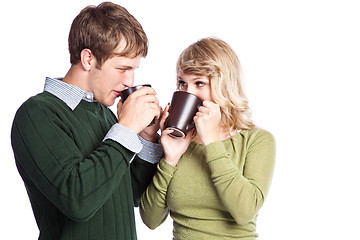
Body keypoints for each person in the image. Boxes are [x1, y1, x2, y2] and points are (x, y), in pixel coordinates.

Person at [11, 2, 163, 240]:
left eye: (134, 69)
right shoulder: (37, 113)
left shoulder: (103, 113)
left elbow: (126, 194)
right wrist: (126, 128)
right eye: (123, 68)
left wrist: (146, 137)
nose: (129, 81)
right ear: (88, 58)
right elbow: (78, 200)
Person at [140, 37, 276, 239]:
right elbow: (150, 220)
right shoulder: (178, 140)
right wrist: (170, 159)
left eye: (200, 83)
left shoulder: (257, 140)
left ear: (224, 86)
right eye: (182, 83)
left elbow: (244, 212)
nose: (189, 93)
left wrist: (211, 141)